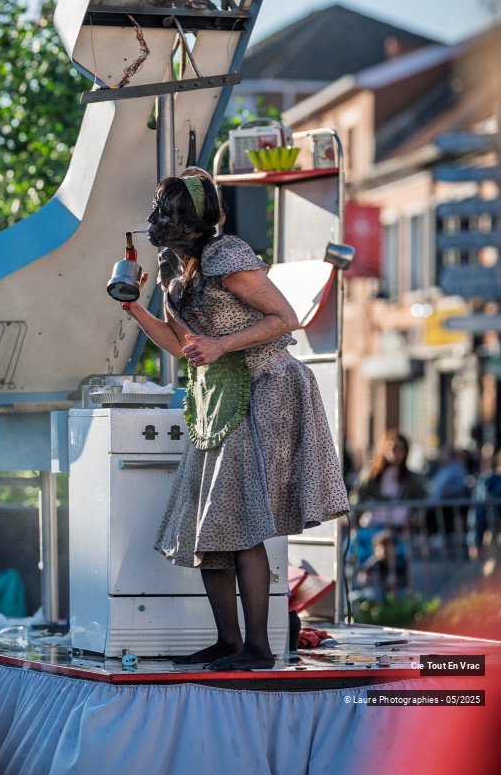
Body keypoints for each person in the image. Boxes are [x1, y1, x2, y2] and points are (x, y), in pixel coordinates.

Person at [120, 167, 350, 670]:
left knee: (242, 522)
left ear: (189, 219)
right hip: (218, 397)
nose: (156, 219)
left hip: (267, 388)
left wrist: (221, 344)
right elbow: (184, 345)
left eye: (165, 211)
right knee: (209, 526)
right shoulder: (174, 267)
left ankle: (258, 649)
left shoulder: (227, 254)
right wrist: (136, 310)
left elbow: (285, 319)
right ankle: (229, 643)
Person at [350, 429, 426, 594]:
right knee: (367, 564)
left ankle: (397, 602)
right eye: (391, 447)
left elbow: (423, 500)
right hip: (373, 528)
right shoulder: (372, 473)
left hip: (398, 530)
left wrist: (416, 519)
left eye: (400, 448)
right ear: (384, 448)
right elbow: (357, 497)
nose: (395, 452)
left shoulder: (411, 477)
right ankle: (363, 598)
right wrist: (353, 521)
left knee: (396, 567)